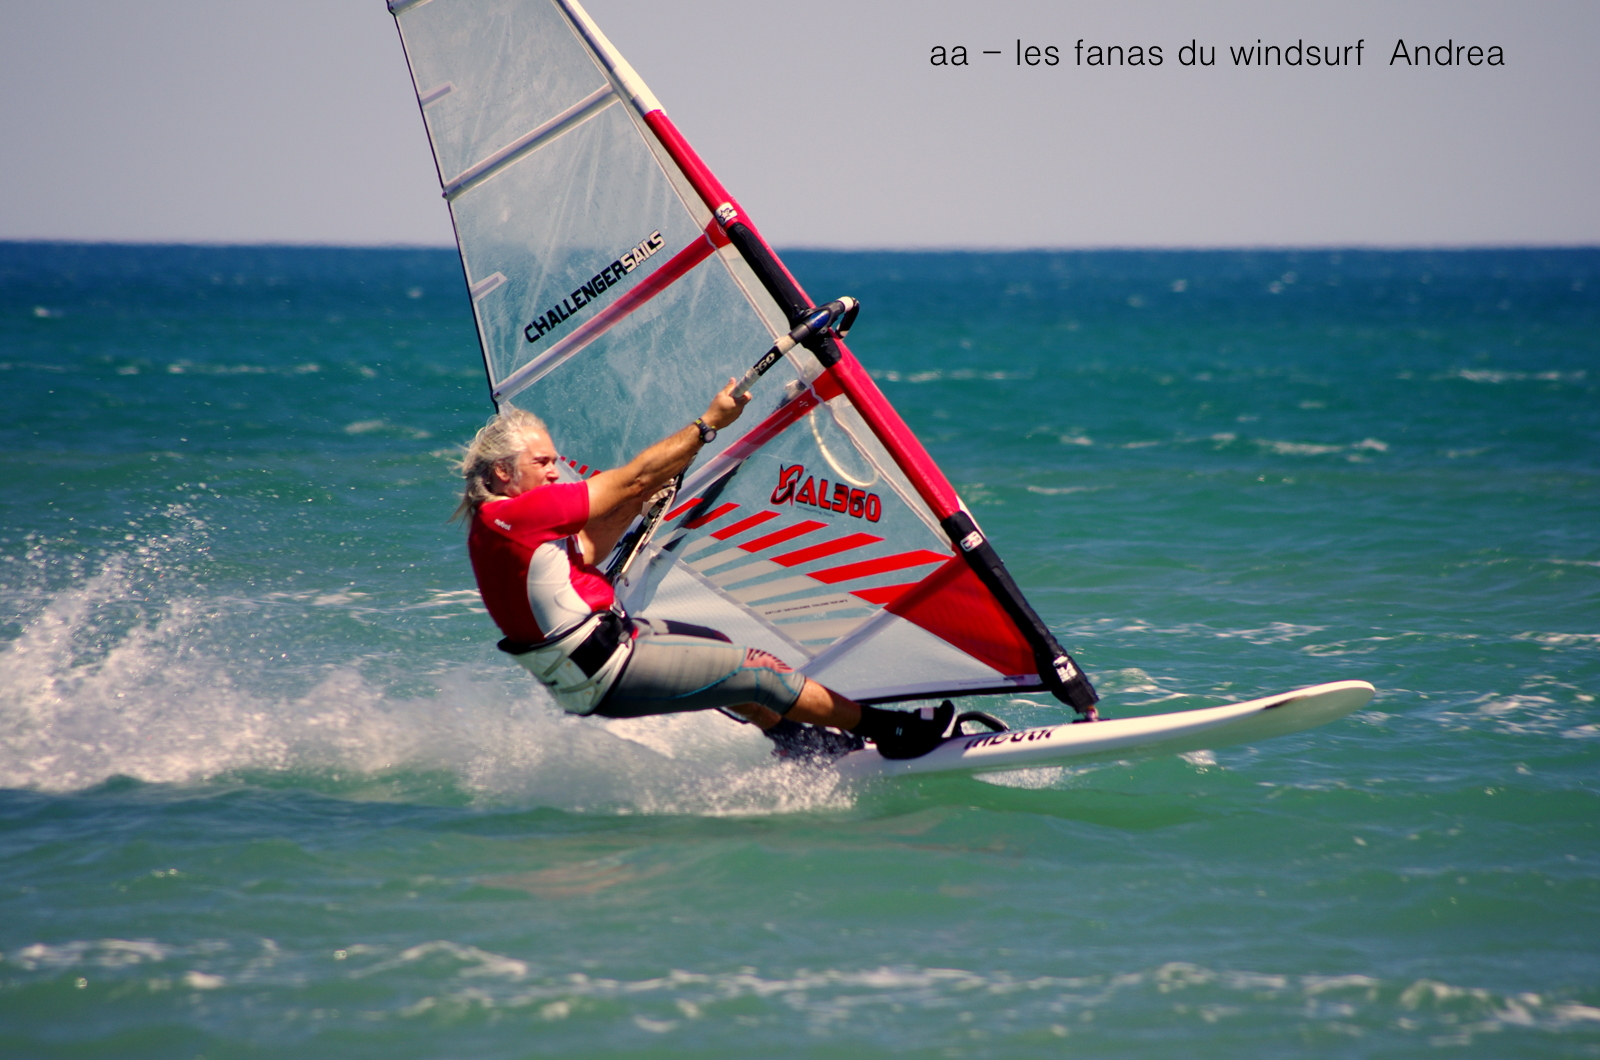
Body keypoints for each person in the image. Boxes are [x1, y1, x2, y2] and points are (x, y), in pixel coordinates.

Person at [455, 379, 953, 760]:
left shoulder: (496, 525)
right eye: (542, 462)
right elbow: (634, 478)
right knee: (759, 672)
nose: (553, 471)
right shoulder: (519, 513)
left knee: (715, 645)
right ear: (503, 471)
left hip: (589, 666)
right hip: (607, 669)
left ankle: (796, 741)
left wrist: (636, 505)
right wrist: (709, 424)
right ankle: (892, 729)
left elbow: (584, 550)